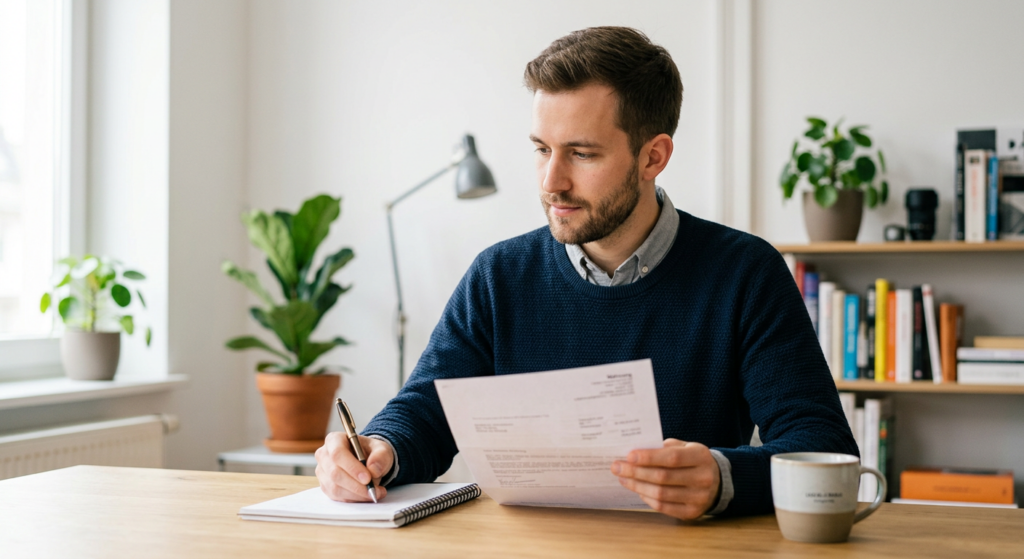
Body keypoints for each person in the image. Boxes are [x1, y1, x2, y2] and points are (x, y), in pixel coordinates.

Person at [315, 26, 857, 519]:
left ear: (653, 157)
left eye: (581, 153)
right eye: (541, 149)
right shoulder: (498, 275)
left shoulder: (745, 273)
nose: (552, 181)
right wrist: (380, 449)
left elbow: (822, 447)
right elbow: (427, 414)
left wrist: (723, 477)